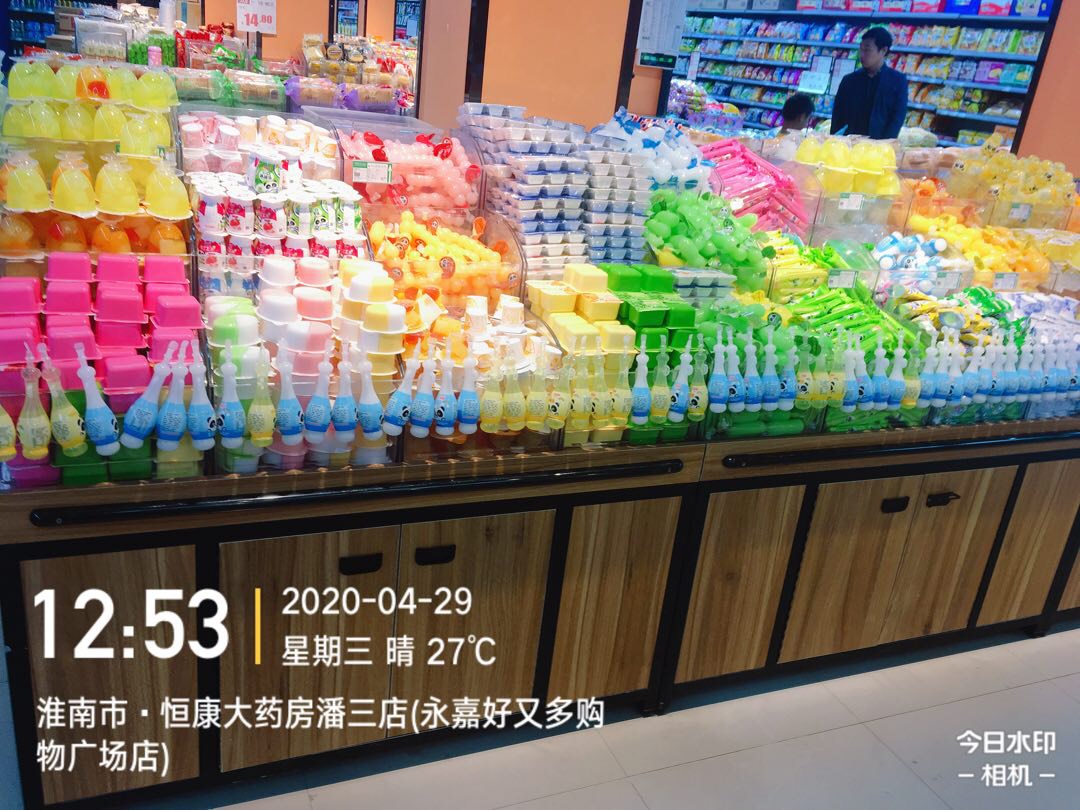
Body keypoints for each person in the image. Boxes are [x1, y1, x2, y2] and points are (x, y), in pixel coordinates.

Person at [830, 27, 908, 139]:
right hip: (850, 145)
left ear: (883, 50)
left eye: (867, 50)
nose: (861, 55)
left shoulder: (897, 81)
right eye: (861, 49)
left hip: (880, 145)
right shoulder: (849, 81)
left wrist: (885, 144)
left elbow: (897, 118)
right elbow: (837, 117)